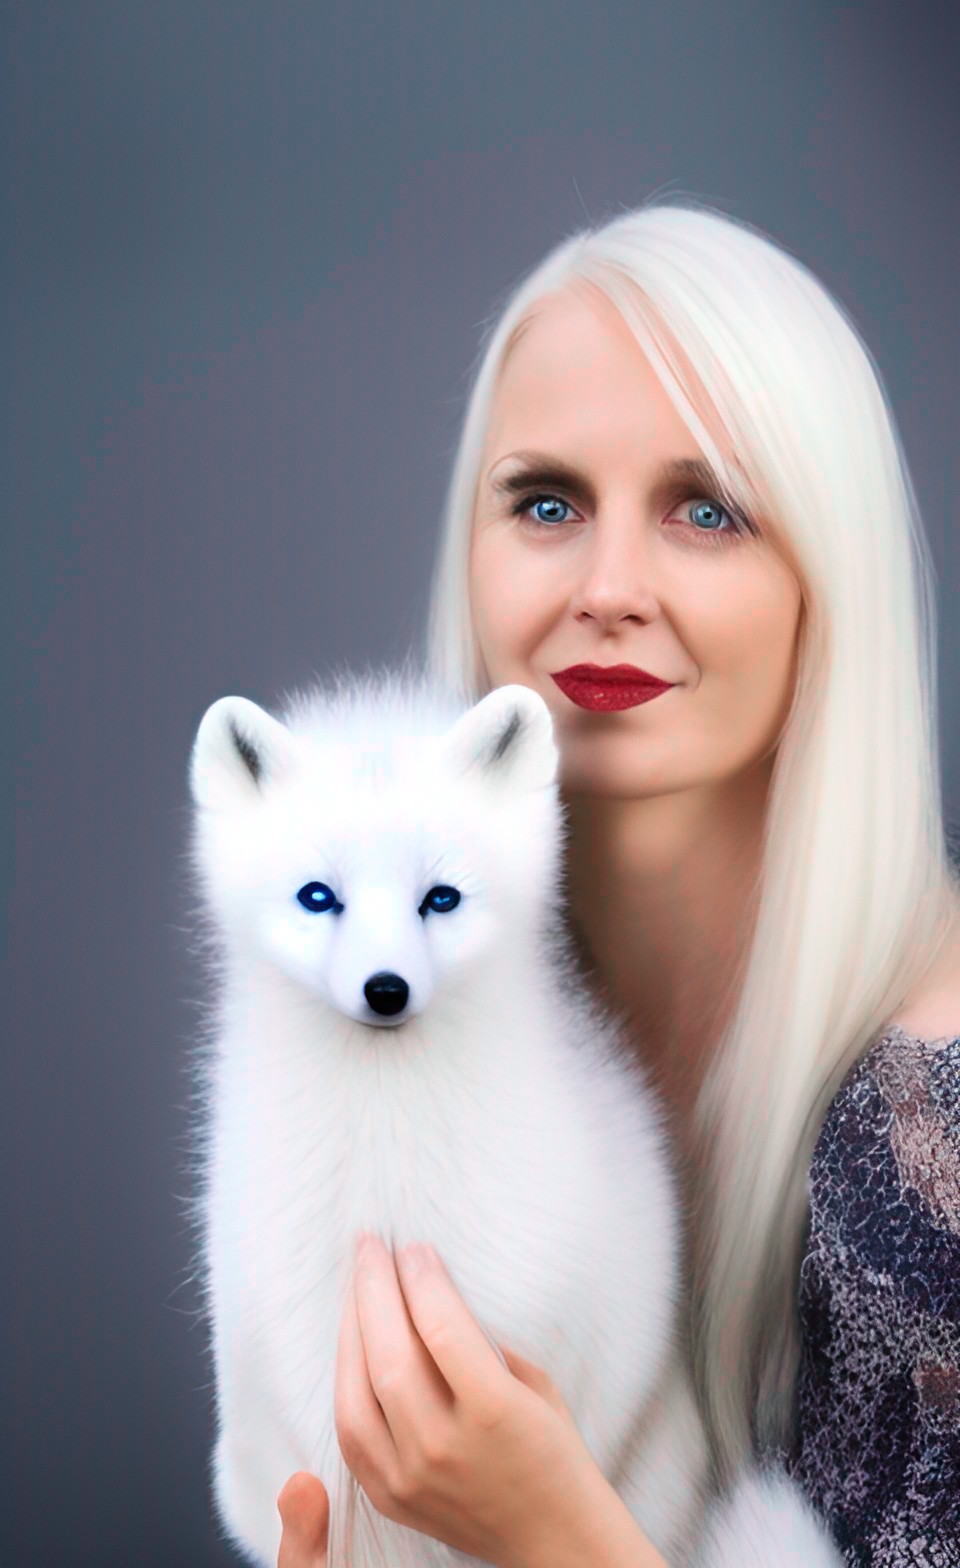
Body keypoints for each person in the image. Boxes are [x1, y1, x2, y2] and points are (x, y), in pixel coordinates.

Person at [274, 196, 960, 1566]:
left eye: (706, 510)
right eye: (545, 502)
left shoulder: (932, 1121)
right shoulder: (385, 1005)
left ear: (833, 574)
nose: (608, 586)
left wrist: (549, 1534)